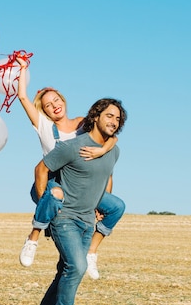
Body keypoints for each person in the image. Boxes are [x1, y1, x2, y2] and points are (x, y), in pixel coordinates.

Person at [15, 58, 126, 280]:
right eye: (48, 105)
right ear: (44, 111)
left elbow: (111, 135)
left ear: (63, 100)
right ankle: (33, 237)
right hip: (53, 181)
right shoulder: (43, 125)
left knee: (116, 207)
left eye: (56, 100)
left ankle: (92, 253)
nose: (54, 105)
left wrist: (101, 151)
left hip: (81, 184)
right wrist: (23, 69)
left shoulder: (83, 123)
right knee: (55, 195)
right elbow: (22, 97)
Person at [33, 97, 127, 305]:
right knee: (76, 267)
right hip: (65, 218)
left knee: (66, 272)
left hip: (87, 221)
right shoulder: (72, 147)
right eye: (109, 115)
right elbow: (41, 169)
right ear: (95, 116)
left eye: (118, 118)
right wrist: (45, 205)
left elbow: (107, 176)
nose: (114, 121)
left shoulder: (113, 151)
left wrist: (101, 203)